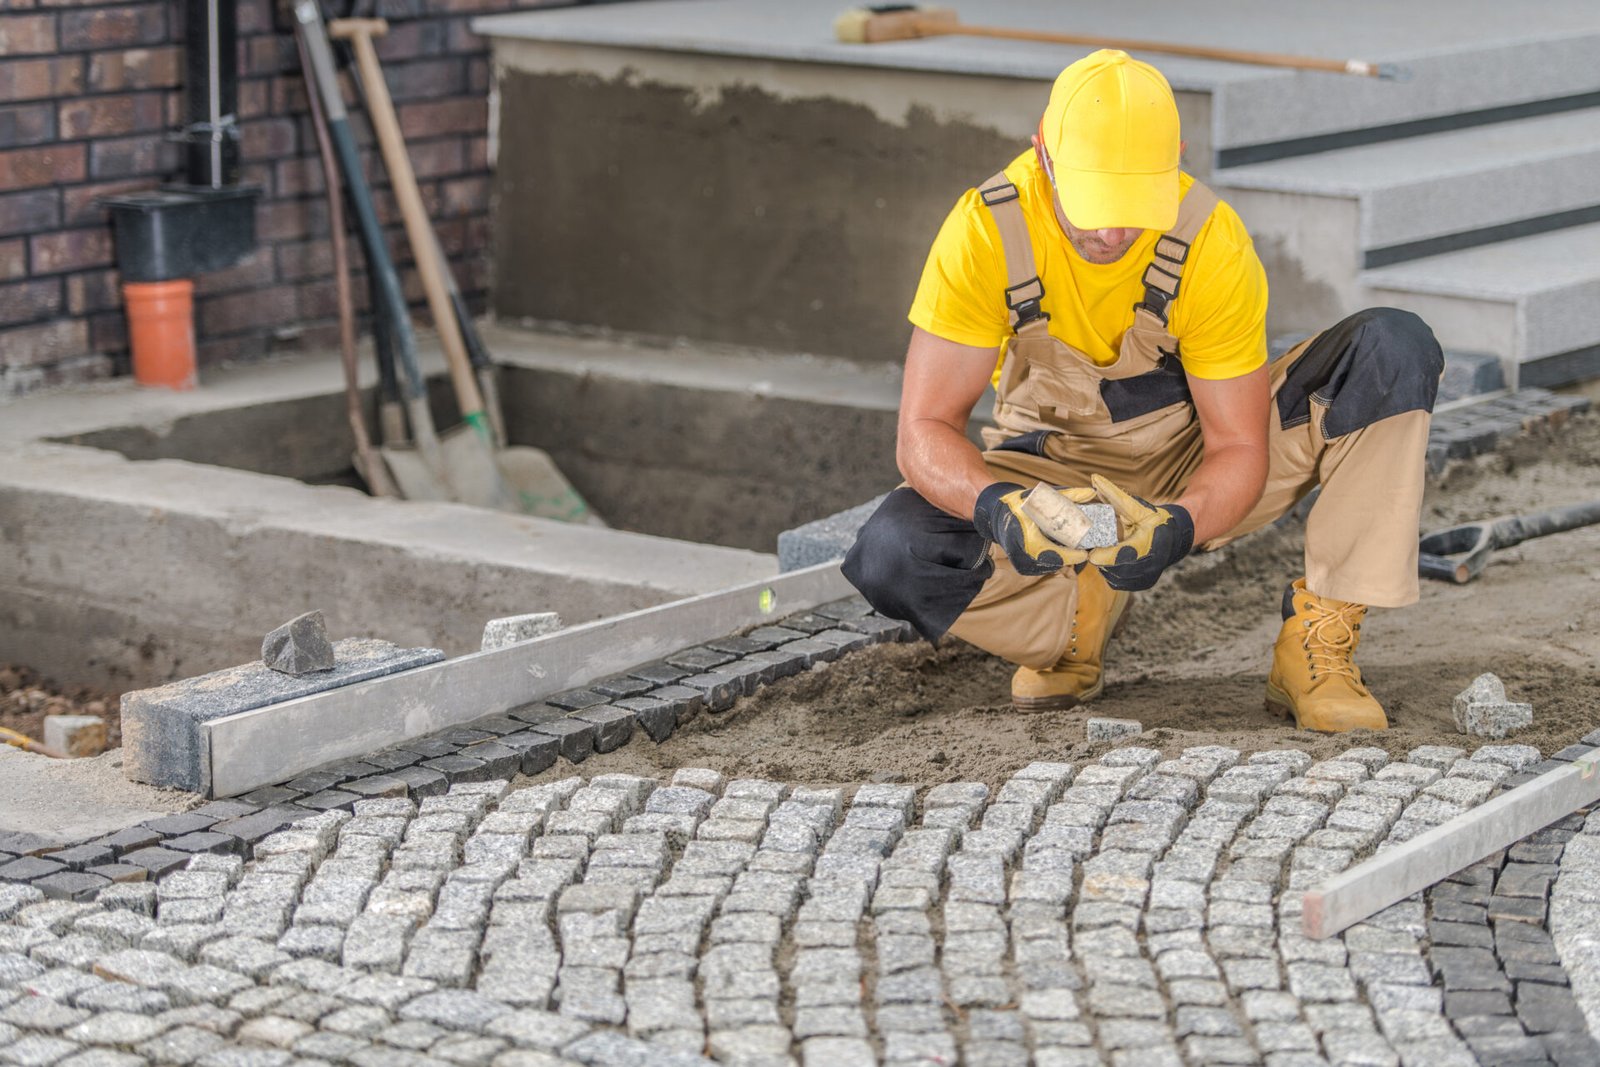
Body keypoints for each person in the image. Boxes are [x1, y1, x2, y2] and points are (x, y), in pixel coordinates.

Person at [842, 49, 1442, 733]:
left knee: (1392, 348)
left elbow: (1241, 444)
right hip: (1050, 476)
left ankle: (1316, 647)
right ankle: (1071, 627)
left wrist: (1177, 524)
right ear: (1045, 156)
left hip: (1189, 469)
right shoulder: (986, 231)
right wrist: (1002, 510)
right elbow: (922, 431)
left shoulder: (1210, 239)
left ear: (1174, 162)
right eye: (1095, 206)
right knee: (893, 551)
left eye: (1132, 208)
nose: (1112, 232)